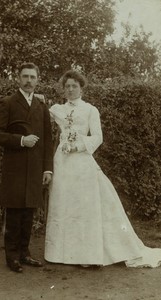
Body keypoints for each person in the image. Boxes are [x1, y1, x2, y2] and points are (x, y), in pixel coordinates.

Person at [45, 70, 161, 268]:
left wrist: (78, 145)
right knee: (63, 204)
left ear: (81, 88)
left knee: (84, 206)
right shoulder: (57, 109)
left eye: (74, 86)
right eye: (67, 86)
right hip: (62, 162)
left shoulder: (91, 110)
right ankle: (61, 253)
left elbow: (98, 137)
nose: (71, 90)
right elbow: (39, 107)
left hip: (81, 161)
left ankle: (86, 255)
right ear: (63, 90)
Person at [0, 62, 53, 273]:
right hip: (14, 168)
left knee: (29, 212)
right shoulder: (7, 103)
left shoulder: (41, 106)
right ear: (18, 79)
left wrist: (47, 169)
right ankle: (12, 257)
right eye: (25, 76)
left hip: (35, 168)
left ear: (38, 80)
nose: (28, 81)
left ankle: (25, 254)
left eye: (32, 77)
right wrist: (21, 140)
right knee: (15, 213)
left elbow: (47, 139)